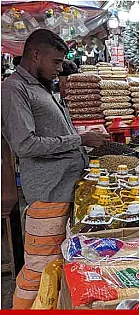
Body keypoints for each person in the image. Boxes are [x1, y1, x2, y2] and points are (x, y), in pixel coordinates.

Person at [1, 29, 109, 309]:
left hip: (64, 188)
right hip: (48, 194)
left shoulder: (40, 87)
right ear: (35, 55)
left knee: (56, 267)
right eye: (56, 62)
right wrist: (79, 139)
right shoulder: (15, 89)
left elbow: (53, 133)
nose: (60, 68)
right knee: (40, 268)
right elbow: (25, 144)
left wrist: (82, 143)